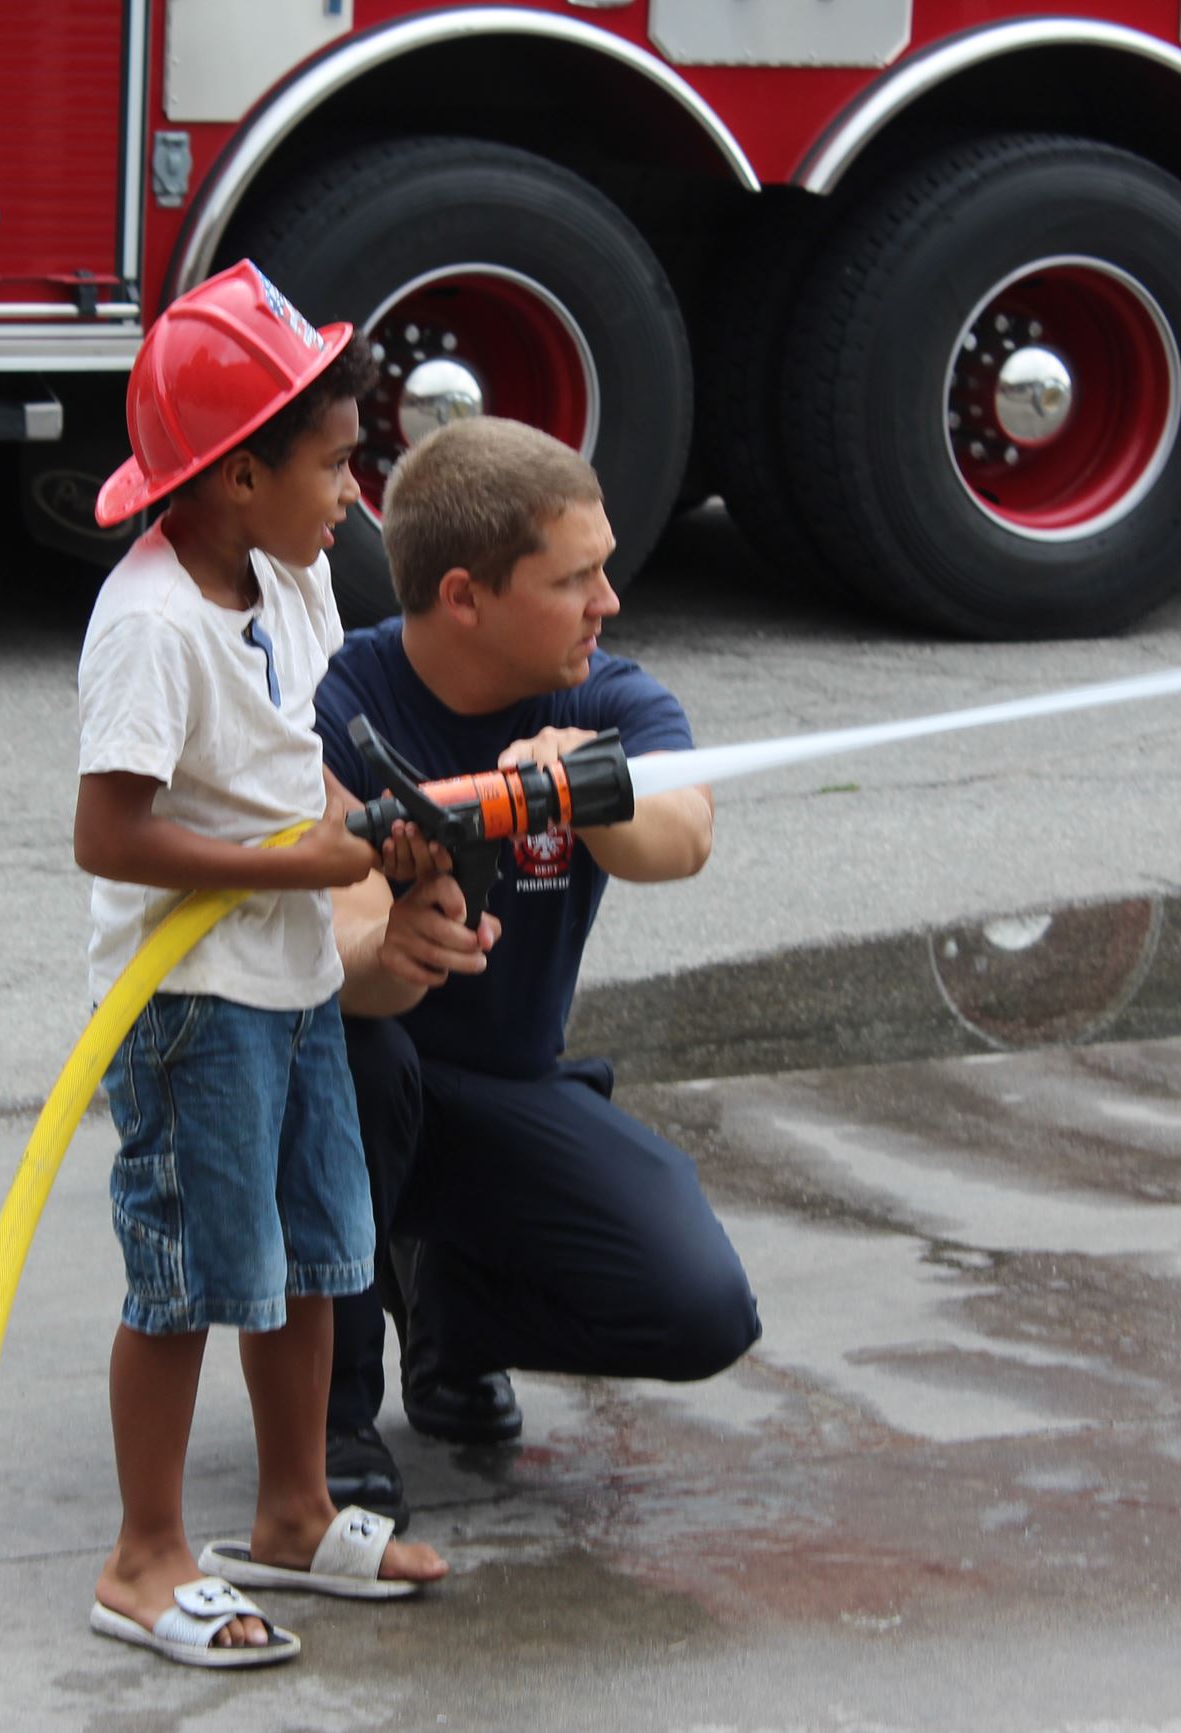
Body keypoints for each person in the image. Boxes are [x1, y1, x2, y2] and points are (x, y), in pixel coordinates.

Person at [71, 261, 447, 1670]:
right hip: (190, 1009)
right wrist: (305, 865)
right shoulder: (153, 624)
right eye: (337, 464)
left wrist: (377, 836)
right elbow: (109, 831)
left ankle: (295, 1510)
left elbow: (304, 776)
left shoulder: (291, 580)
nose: (355, 491)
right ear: (237, 474)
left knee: (309, 1261)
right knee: (186, 1276)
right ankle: (144, 1554)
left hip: (287, 982)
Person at [312, 416, 763, 1523]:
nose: (607, 601)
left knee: (700, 1309)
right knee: (361, 1056)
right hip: (351, 1100)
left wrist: (587, 791)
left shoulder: (606, 699)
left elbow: (683, 837)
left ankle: (450, 1313)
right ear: (463, 596)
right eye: (575, 579)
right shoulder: (334, 704)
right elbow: (335, 948)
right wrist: (389, 946)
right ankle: (328, 1416)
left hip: (507, 1094)